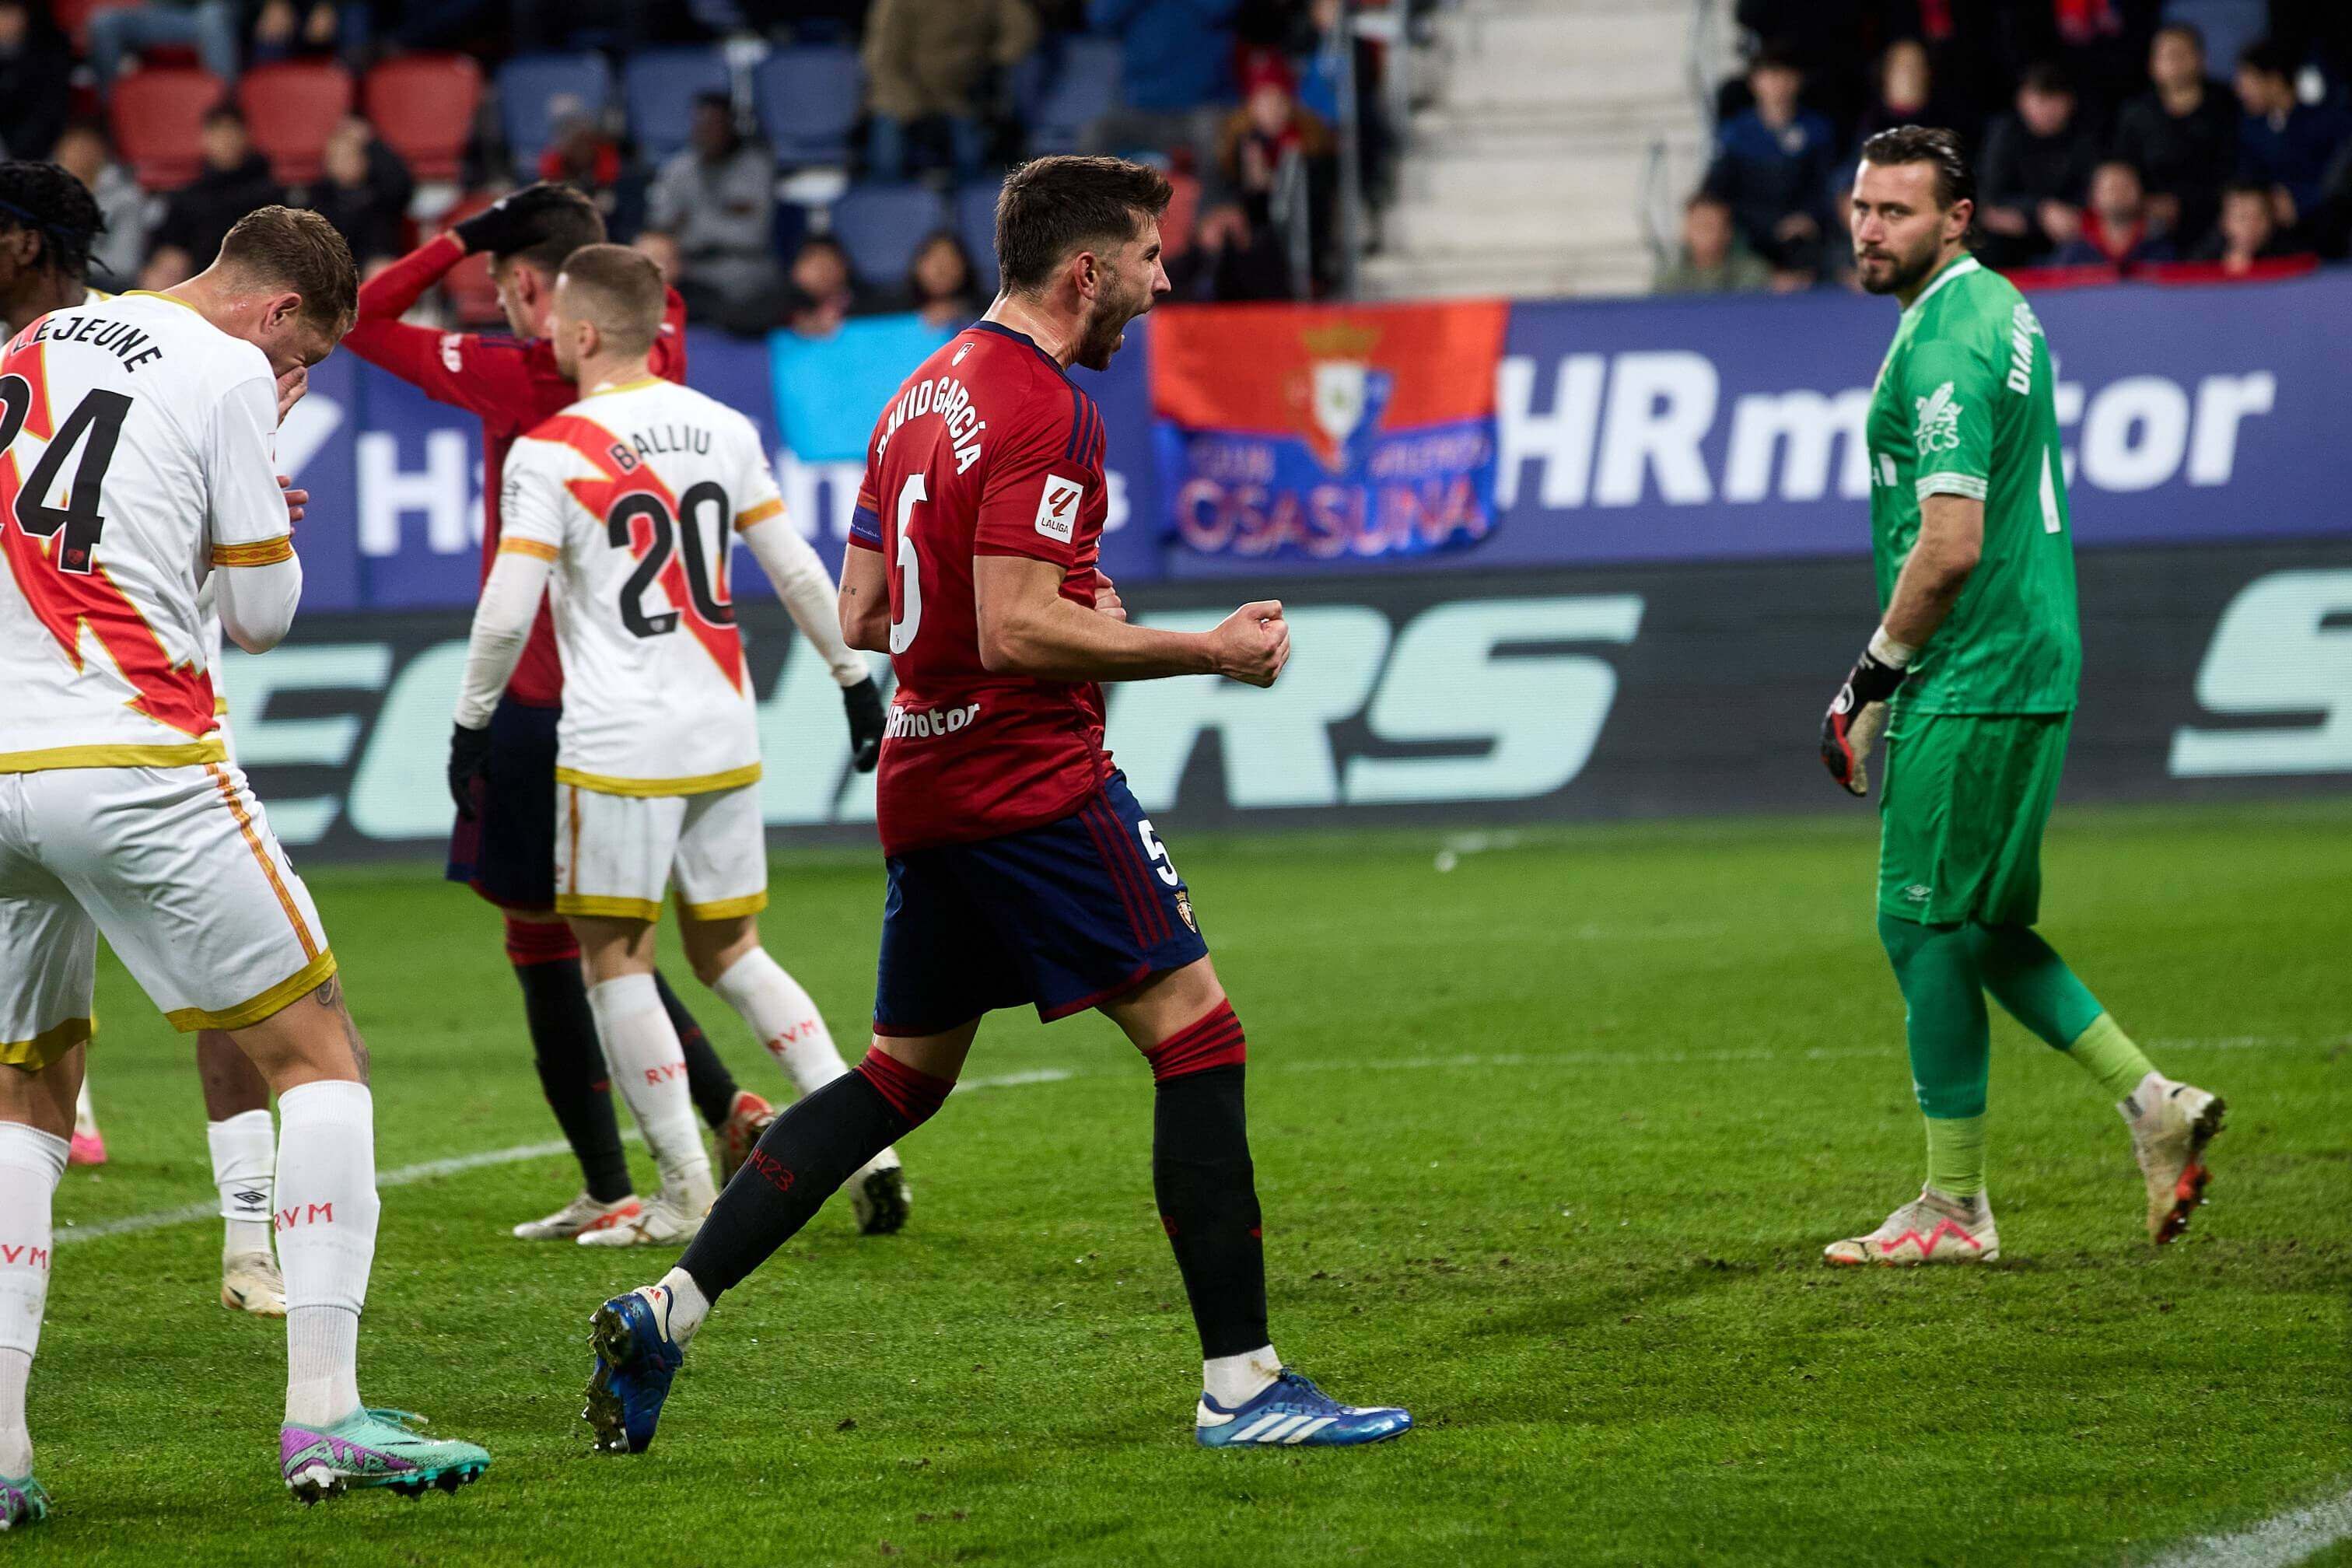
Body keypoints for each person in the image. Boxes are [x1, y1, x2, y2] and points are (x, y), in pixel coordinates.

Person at [582, 154, 1411, 1458]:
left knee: (898, 1078)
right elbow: (1016, 630)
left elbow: (862, 615)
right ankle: (1242, 1386)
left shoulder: (917, 394)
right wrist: (1208, 649)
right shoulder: (1042, 403)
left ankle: (668, 1305)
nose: (1161, 275)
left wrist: (1054, 619)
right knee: (1198, 1040)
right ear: (1086, 272)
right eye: (1146, 254)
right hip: (1029, 779)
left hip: (924, 774)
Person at [0, 206, 493, 1525]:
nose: (300, 384)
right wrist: (254, 509)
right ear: (279, 312)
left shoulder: (36, 336)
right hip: (134, 753)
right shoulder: (223, 372)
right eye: (311, 360)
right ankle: (327, 1416)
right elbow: (264, 619)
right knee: (319, 1055)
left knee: (25, 1091)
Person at [342, 185, 901, 1241]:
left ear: (571, 318)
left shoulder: (540, 430)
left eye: (551, 306)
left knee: (600, 958)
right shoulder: (715, 417)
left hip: (599, 726)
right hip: (724, 720)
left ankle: (670, 1190)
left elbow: (506, 610)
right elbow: (791, 565)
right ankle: (861, 1137)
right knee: (731, 948)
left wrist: (465, 723)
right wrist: (852, 681)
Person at [1821, 126, 2224, 1267]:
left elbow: (1948, 546)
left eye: (1896, 211)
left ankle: (1954, 1209)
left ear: (1956, 219)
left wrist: (1871, 683)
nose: (1869, 228)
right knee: (1983, 922)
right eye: (1861, 207)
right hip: (2025, 650)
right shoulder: (2000, 307)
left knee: (1920, 923)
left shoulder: (1946, 342)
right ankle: (2152, 1104)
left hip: (1979, 663)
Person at [0, 159, 295, 1317]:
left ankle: (248, 1240)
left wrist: (241, 516)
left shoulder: (139, 343)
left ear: (32, 243)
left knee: (224, 1000)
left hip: (125, 711)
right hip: (89, 729)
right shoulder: (130, 347)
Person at [645, 95, 785, 338]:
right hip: (691, 272)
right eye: (703, 124)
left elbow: (753, 234)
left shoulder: (756, 167)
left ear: (731, 125)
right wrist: (721, 223)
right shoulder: (678, 169)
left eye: (716, 124)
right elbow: (660, 229)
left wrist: (692, 226)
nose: (708, 132)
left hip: (745, 272)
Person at [862, 0, 1038, 182]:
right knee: (887, 162)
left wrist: (995, 64)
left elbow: (1021, 29)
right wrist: (914, 112)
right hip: (901, 97)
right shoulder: (894, 4)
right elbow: (884, 61)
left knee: (972, 162)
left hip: (961, 94)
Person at [1701, 50, 1840, 281]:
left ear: (1798, 81)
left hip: (1803, 235)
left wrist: (1809, 216)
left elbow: (1825, 186)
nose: (1778, 86)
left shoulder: (1817, 131)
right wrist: (1766, 224)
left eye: (1786, 76)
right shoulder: (1737, 133)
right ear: (1754, 82)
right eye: (1770, 77)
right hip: (1749, 234)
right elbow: (1719, 190)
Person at [2111, 23, 2238, 254]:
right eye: (2166, 55)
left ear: (2202, 58)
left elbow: (2236, 169)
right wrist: (2145, 204)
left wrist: (2186, 205)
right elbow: (2123, 170)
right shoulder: (2136, 113)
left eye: (2182, 53)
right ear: (2152, 65)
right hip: (2150, 219)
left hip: (2219, 217)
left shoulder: (2227, 105)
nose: (2175, 61)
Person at [143, 107, 284, 291]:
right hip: (196, 280)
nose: (225, 140)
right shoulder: (187, 196)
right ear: (204, 138)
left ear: (246, 136)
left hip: (253, 278)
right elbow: (169, 246)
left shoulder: (271, 193)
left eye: (231, 131)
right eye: (217, 132)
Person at [1976, 62, 2101, 266]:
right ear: (2022, 101)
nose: (2048, 109)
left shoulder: (2084, 137)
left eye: (2055, 99)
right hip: (2014, 233)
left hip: (2070, 233)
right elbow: (1992, 196)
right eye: (2040, 99)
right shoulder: (2005, 134)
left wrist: (2074, 216)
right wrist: (2040, 211)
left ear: (2070, 102)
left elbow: (2093, 190)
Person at [2232, 37, 2352, 236]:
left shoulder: (2331, 123)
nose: (2240, 91)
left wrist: (2300, 200)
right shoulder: (2251, 129)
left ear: (2274, 81)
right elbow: (2246, 178)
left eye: (2247, 81)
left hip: (2330, 230)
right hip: (2270, 234)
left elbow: (2339, 181)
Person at [305, 117, 413, 279]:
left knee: (381, 271)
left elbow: (402, 182)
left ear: (364, 160)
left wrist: (373, 142)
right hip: (336, 268)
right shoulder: (319, 197)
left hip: (373, 263)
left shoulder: (381, 192)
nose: (343, 164)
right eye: (336, 158)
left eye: (349, 156)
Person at [47, 124, 146, 287]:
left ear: (102, 152)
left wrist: (63, 265)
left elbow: (124, 265)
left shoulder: (127, 198)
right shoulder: (41, 193)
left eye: (85, 146)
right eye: (72, 145)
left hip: (101, 286)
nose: (78, 153)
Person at [2049, 158, 2175, 268]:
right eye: (2111, 188)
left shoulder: (2158, 245)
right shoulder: (2074, 251)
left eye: (2126, 187)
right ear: (2093, 197)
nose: (2119, 194)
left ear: (2140, 193)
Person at [1653, 191, 1773, 295]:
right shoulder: (1669, 281)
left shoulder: (1752, 273)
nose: (1705, 233)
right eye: (1700, 226)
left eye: (1712, 226)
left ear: (1728, 232)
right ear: (1686, 232)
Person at [2187, 178, 2309, 273]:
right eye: (2242, 217)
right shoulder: (2201, 263)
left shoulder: (2292, 259)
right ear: (2225, 222)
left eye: (2259, 217)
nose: (2251, 226)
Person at [900, 229, 982, 328]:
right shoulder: (889, 312)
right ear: (917, 266)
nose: (941, 270)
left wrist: (958, 309)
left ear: (964, 266)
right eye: (934, 262)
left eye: (949, 262)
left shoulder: (988, 315)